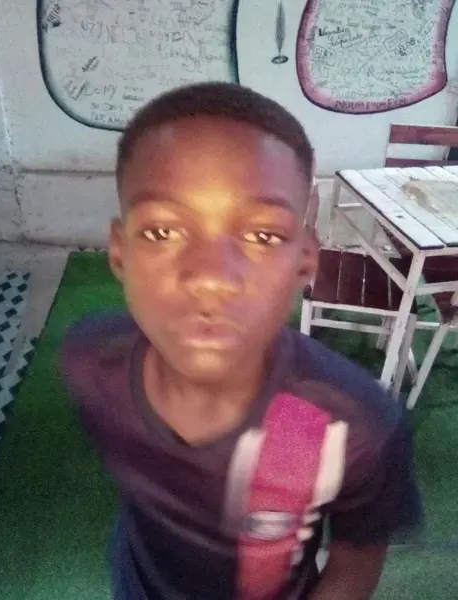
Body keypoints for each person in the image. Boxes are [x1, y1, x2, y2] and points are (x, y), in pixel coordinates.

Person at [59, 82, 423, 600]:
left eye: (262, 236)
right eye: (162, 232)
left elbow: (355, 562)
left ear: (304, 263)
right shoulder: (92, 365)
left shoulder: (353, 428)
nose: (211, 277)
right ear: (120, 254)